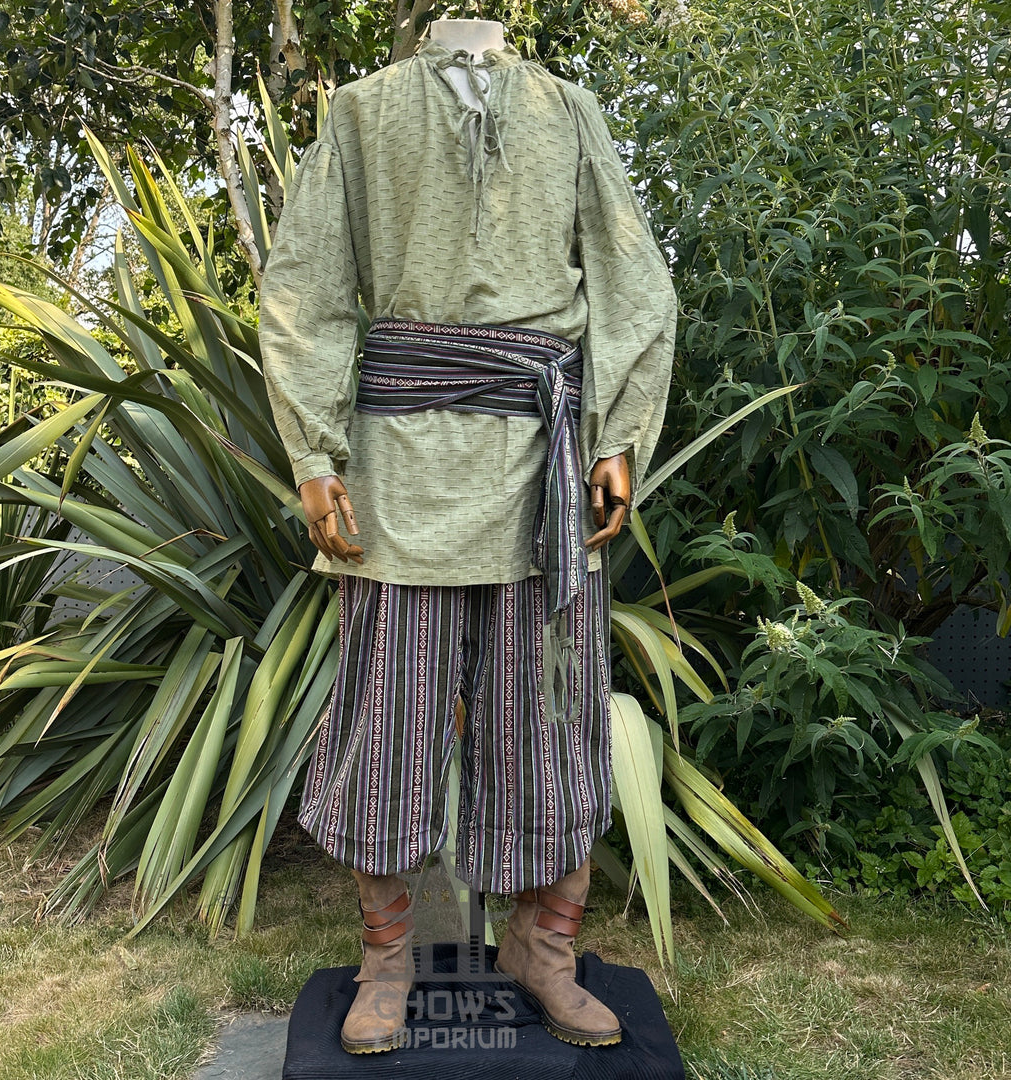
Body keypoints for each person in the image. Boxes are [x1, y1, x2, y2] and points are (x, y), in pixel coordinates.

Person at [259, 16, 676, 1055]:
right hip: (401, 473)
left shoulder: (565, 111)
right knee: (387, 719)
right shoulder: (359, 115)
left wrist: (621, 431)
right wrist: (315, 454)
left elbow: (632, 277)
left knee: (549, 716)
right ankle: (388, 959)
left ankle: (545, 949)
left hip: (546, 471)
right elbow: (304, 283)